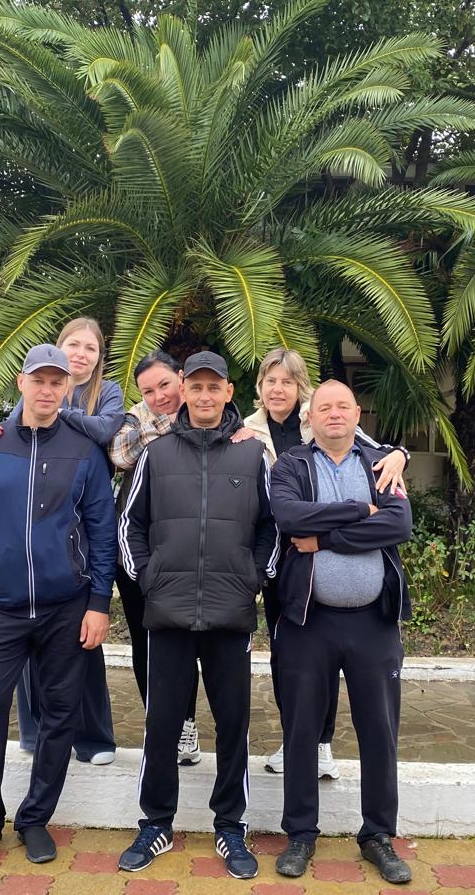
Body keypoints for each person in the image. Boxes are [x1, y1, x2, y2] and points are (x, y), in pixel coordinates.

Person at [0, 344, 117, 868]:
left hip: (67, 607)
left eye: (56, 382)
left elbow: (102, 532)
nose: (47, 390)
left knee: (60, 715)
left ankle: (35, 819)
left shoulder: (84, 449)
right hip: (0, 606)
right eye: (38, 380)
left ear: (67, 388)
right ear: (21, 383)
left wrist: (99, 603)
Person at [116, 351, 277, 879]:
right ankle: (155, 823)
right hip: (168, 614)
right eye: (197, 387)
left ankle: (230, 826)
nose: (205, 396)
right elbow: (129, 525)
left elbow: (272, 527)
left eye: (215, 387)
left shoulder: (252, 455)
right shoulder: (155, 454)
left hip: (231, 615)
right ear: (183, 391)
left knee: (233, 726)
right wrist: (148, 578)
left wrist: (254, 577)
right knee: (162, 725)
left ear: (229, 392)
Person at [267, 379, 414, 885]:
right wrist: (357, 511)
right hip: (308, 620)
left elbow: (397, 525)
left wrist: (324, 538)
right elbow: (289, 517)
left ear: (356, 415)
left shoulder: (381, 465)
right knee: (301, 730)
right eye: (324, 407)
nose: (334, 413)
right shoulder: (291, 466)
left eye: (343, 406)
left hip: (374, 622)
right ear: (309, 418)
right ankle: (300, 834)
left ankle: (378, 836)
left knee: (380, 731)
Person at [243, 348, 409, 778]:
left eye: (287, 381)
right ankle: (296, 737)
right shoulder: (245, 432)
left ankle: (321, 743)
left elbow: (378, 452)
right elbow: (283, 510)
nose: (278, 389)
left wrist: (402, 453)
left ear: (301, 390)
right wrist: (360, 510)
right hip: (280, 557)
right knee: (290, 661)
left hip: (313, 551)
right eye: (270, 381)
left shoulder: (320, 418)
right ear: (260, 387)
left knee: (328, 656)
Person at [0, 317, 124, 765]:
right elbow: (6, 435)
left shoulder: (107, 393)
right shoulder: (37, 387)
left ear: (98, 357)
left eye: (90, 348)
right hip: (26, 544)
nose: (81, 354)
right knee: (28, 649)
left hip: (78, 524)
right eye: (74, 344)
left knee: (82, 648)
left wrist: (58, 415)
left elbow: (105, 431)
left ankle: (94, 737)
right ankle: (33, 732)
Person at [108, 350, 202, 765]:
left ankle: (186, 723)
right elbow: (120, 454)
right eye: (148, 391)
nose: (159, 396)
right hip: (136, 550)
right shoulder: (134, 418)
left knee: (184, 643)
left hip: (187, 550)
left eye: (165, 384)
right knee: (144, 641)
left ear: (181, 377)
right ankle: (159, 722)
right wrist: (172, 424)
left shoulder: (210, 410)